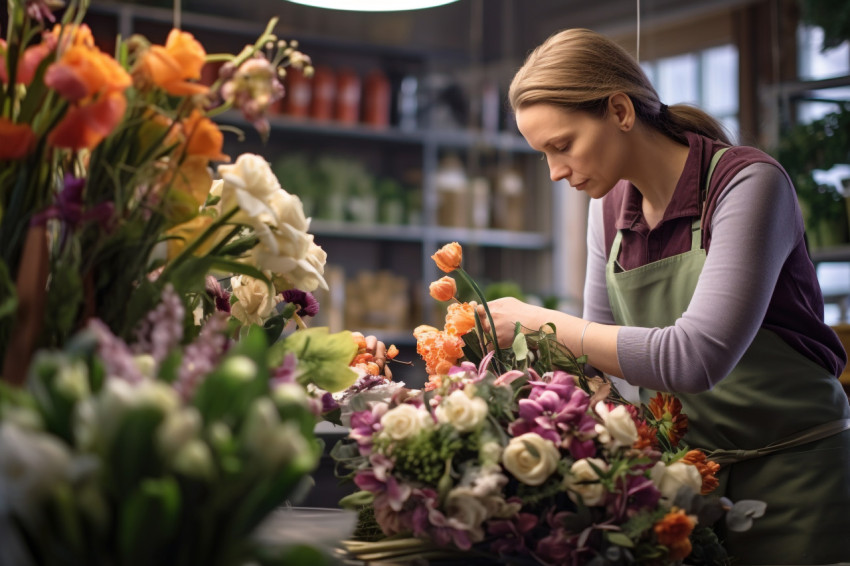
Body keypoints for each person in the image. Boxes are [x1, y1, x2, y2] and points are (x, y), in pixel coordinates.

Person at [481, 28, 850, 565]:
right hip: (686, 485)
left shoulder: (747, 186)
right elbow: (603, 371)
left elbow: (695, 358)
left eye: (562, 145)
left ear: (620, 111)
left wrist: (540, 325)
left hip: (797, 481)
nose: (557, 171)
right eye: (544, 155)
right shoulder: (607, 210)